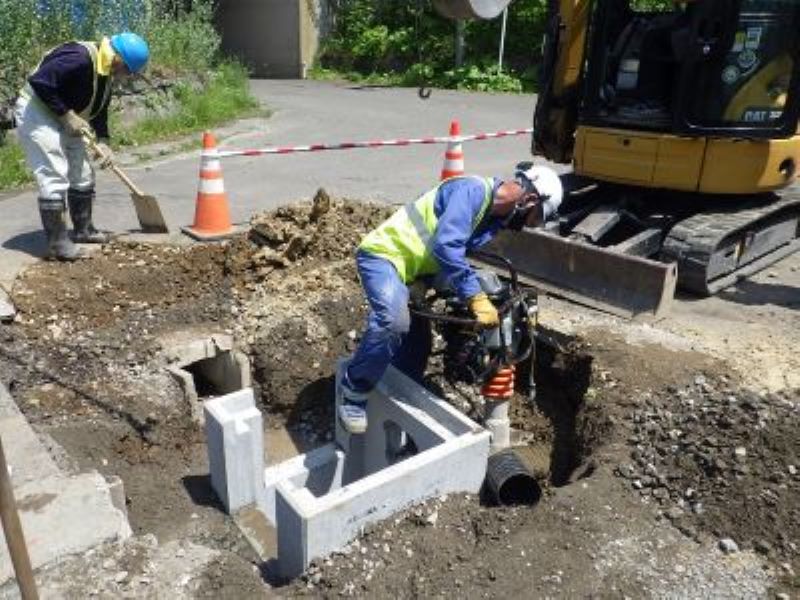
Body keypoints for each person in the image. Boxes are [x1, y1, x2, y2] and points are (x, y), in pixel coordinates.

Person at [338, 165, 564, 434]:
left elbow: (450, 255)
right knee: (394, 321)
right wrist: (474, 298)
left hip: (419, 268)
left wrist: (479, 294)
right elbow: (446, 246)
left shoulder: (491, 218)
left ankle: (402, 397)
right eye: (535, 219)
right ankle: (354, 390)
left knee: (417, 339)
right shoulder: (472, 192)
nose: (528, 225)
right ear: (530, 199)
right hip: (385, 255)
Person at [13, 32, 150, 261]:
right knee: (54, 173)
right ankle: (58, 245)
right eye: (128, 71)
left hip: (65, 116)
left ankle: (83, 230)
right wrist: (66, 115)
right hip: (38, 112)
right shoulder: (80, 58)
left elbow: (99, 107)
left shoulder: (105, 71)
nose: (127, 77)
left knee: (84, 174)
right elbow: (41, 81)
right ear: (119, 60)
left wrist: (104, 142)